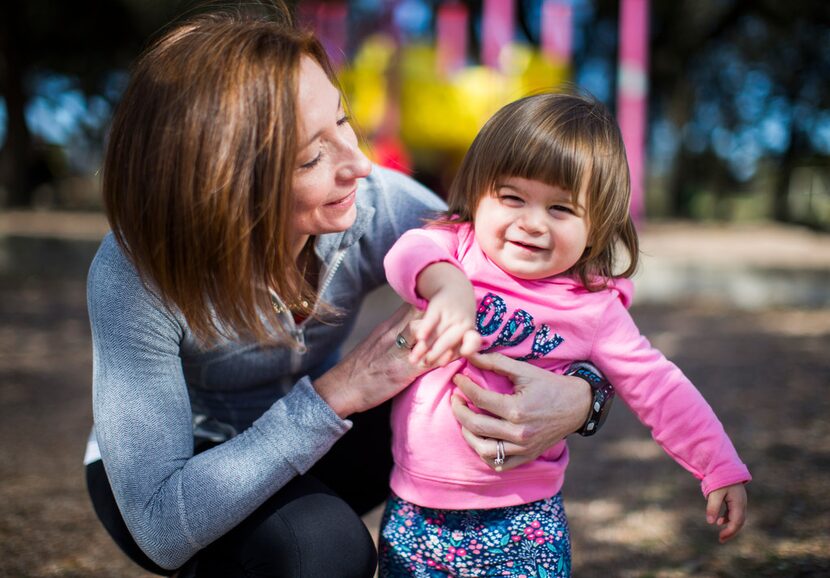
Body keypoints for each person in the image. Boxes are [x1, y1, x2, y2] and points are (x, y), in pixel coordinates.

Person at [83, 7, 602, 578]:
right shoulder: (137, 269)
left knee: (457, 390)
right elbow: (159, 527)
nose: (357, 163)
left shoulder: (373, 200)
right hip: (186, 477)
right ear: (224, 186)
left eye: (344, 121)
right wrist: (338, 392)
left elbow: (549, 291)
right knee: (325, 552)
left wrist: (582, 398)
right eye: (311, 156)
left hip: (319, 452)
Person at [379, 91, 752, 577]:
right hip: (415, 509)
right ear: (478, 195)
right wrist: (448, 287)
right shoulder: (457, 248)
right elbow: (407, 253)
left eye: (560, 209)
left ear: (596, 228)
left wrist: (717, 466)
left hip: (525, 518)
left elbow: (659, 387)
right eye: (512, 197)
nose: (531, 223)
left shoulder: (594, 308)